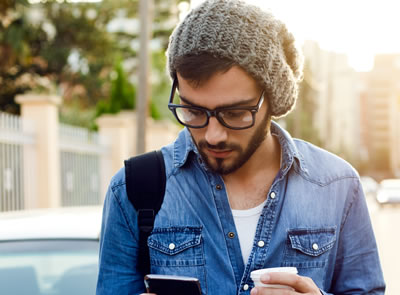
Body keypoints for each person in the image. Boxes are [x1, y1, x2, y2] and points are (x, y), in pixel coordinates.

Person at [96, 0, 385, 294]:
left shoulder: (337, 185)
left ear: (273, 99)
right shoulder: (132, 189)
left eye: (234, 114)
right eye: (194, 111)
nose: (213, 135)